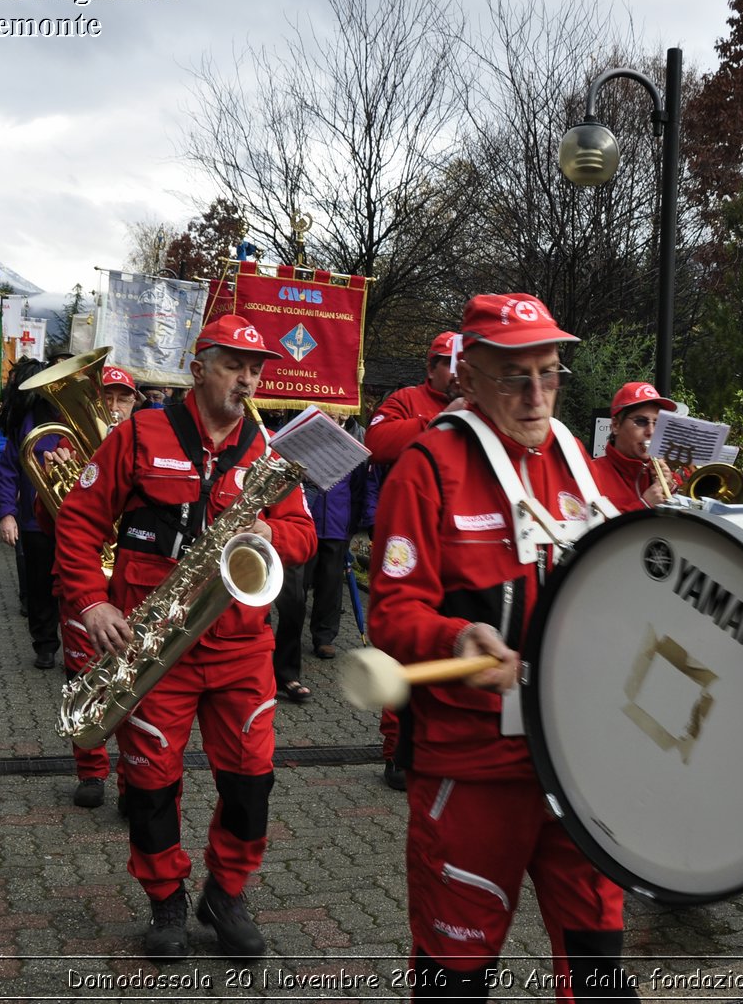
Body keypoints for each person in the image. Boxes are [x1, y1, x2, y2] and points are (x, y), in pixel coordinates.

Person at [368, 293, 634, 1000]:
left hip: (576, 761)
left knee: (600, 970)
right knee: (456, 978)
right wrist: (456, 635)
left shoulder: (577, 456)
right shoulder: (428, 466)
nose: (536, 393)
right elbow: (391, 614)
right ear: (470, 375)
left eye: (549, 373)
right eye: (515, 376)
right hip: (473, 770)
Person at [54, 315, 317, 961]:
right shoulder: (141, 433)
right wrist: (90, 601)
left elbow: (304, 536)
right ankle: (165, 899)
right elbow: (81, 520)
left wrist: (260, 537)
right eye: (233, 364)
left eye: (255, 368)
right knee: (149, 785)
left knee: (252, 781)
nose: (247, 379)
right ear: (198, 367)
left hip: (240, 649)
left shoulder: (270, 452)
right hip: (153, 646)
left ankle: (226, 893)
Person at [40, 363, 145, 808]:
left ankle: (131, 779)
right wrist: (49, 481)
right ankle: (91, 769)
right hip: (83, 587)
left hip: (134, 582)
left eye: (123, 398)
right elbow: (49, 524)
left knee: (134, 683)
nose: (115, 407)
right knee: (85, 678)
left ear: (135, 403)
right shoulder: (66, 448)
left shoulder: (148, 445)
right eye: (107, 398)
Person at [364, 329, 463, 791]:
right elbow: (377, 441)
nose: (457, 372)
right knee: (402, 644)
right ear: (432, 367)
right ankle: (395, 750)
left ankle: (440, 742)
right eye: (449, 363)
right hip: (406, 538)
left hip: (454, 542)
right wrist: (439, 421)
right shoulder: (407, 399)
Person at [274, 413, 368, 702]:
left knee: (326, 584)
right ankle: (278, 652)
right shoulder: (298, 432)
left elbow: (359, 487)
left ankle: (318, 642)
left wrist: (354, 524)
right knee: (294, 592)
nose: (336, 413)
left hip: (335, 523)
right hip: (301, 521)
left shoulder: (354, 436)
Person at [0, 358, 61, 670]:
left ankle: (80, 649)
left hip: (79, 522)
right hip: (35, 521)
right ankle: (45, 644)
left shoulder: (80, 418)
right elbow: (7, 469)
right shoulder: (29, 420)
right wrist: (6, 513)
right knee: (39, 587)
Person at [590, 382, 678, 512]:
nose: (651, 431)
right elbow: (591, 531)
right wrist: (643, 505)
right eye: (641, 421)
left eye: (657, 423)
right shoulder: (591, 474)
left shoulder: (662, 476)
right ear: (615, 425)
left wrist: (671, 491)